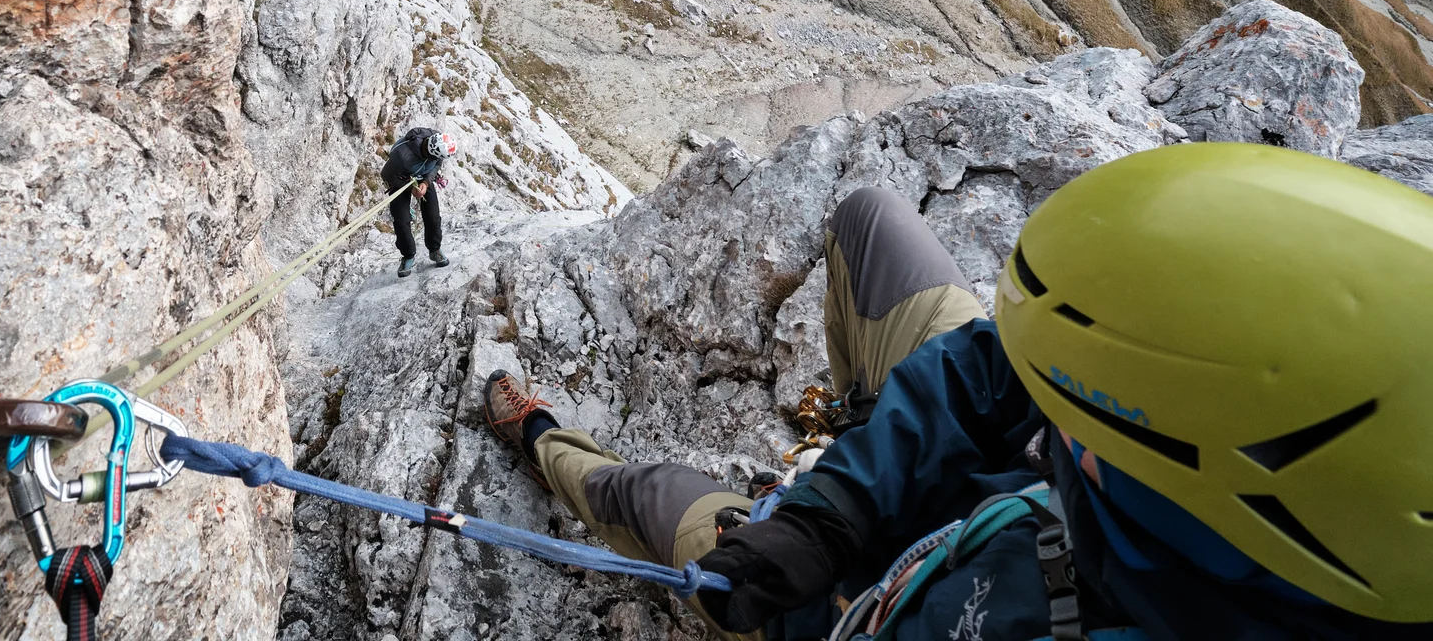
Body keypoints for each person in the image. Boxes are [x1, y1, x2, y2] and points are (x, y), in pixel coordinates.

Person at [484, 144, 1433, 640]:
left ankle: (541, 439)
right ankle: (860, 438)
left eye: (1082, 420)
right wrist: (837, 507)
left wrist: (814, 577)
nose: (1060, 421)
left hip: (839, 606)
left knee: (647, 497)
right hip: (957, 504)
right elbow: (1002, 365)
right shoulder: (1274, 486)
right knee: (870, 221)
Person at [382, 125, 457, 278]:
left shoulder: (438, 141)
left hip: (423, 177)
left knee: (433, 215)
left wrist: (427, 182)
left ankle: (435, 250)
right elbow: (387, 175)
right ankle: (408, 255)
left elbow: (438, 163)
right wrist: (411, 188)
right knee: (402, 220)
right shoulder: (402, 155)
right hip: (401, 180)